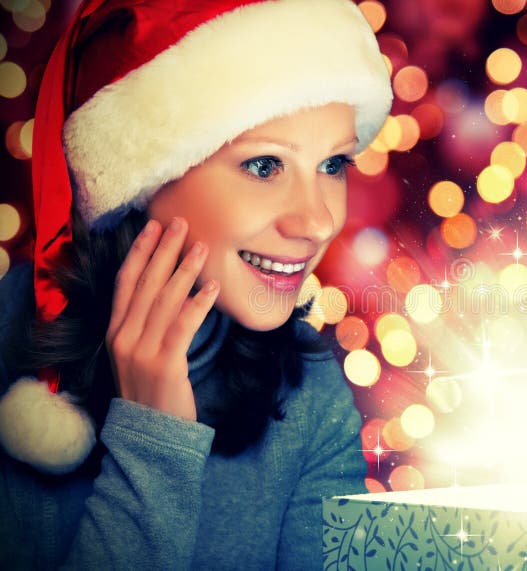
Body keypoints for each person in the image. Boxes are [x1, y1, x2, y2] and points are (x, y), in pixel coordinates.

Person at [0, 0, 392, 568]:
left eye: (333, 165)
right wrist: (153, 443)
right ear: (142, 175)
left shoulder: (309, 392)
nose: (317, 222)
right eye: (265, 165)